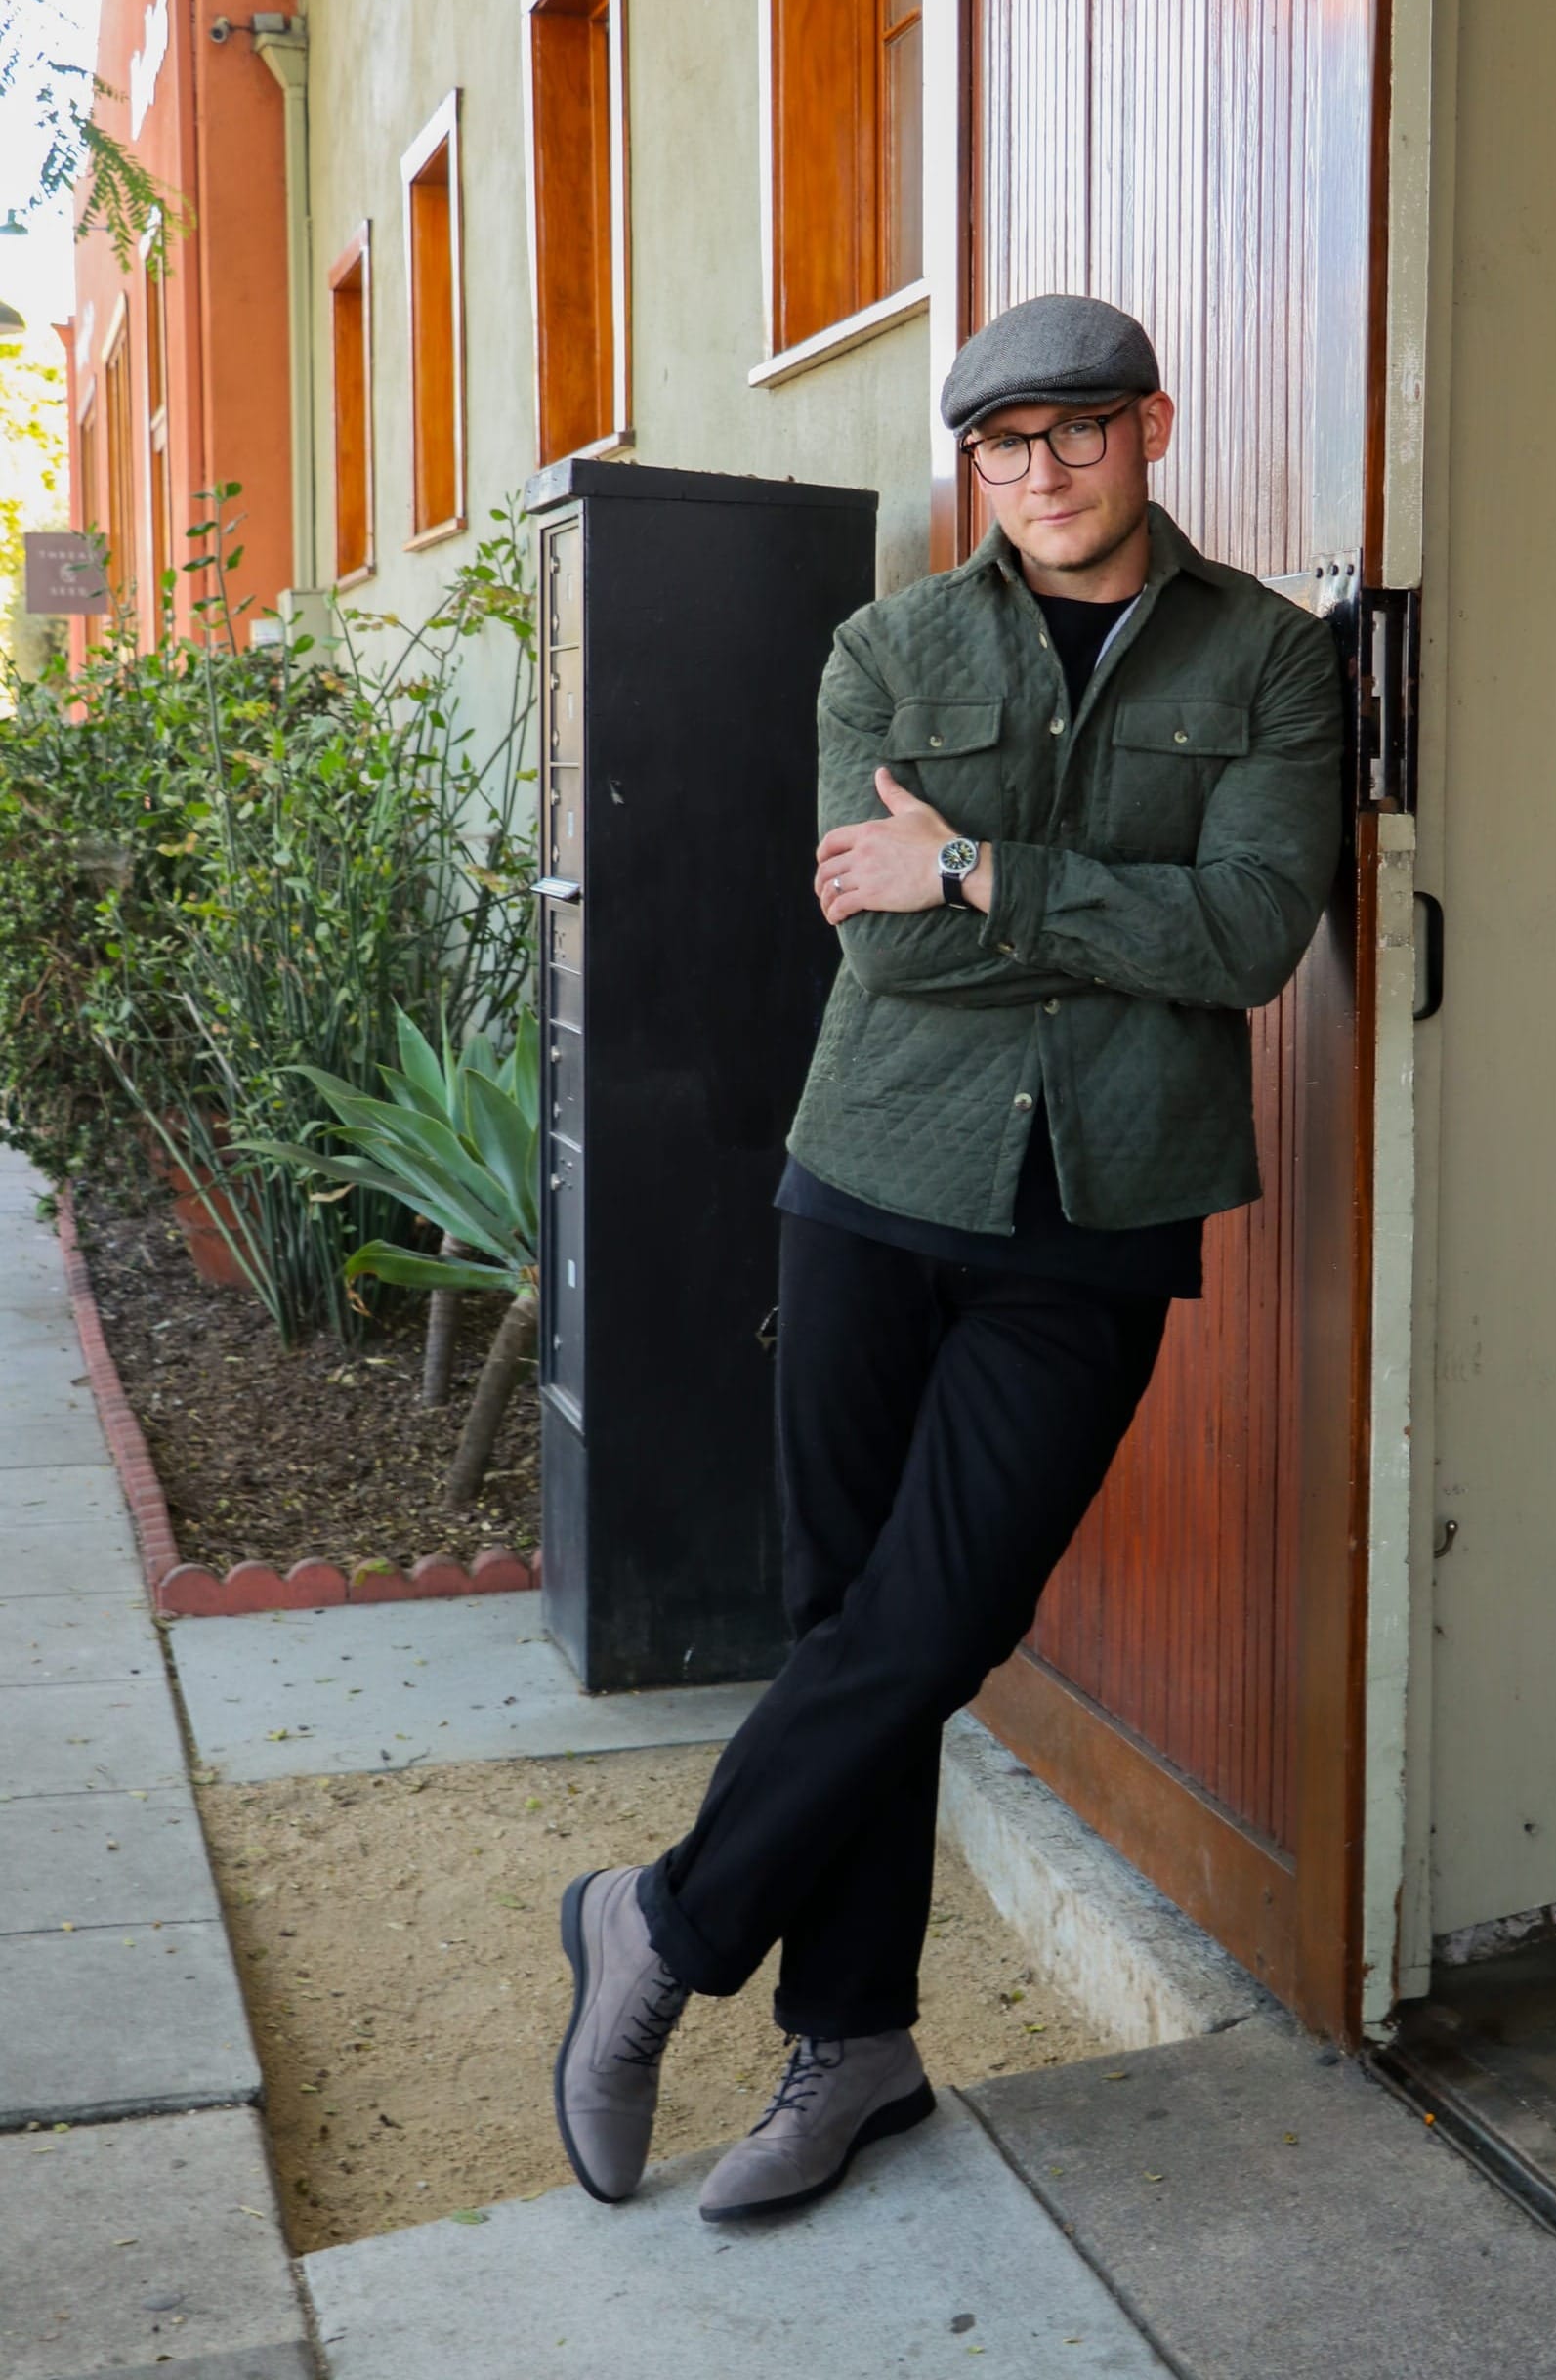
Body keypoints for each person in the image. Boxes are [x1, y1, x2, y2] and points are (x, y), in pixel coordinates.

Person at [553, 293, 1345, 2224]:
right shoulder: (888, 647)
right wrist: (1082, 914)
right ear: (971, 465)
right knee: (851, 1614)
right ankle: (857, 2044)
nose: (1042, 472)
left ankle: (657, 1921)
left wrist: (975, 864)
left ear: (1150, 425)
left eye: (1076, 430)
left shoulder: (1268, 657)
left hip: (1102, 1211)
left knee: (938, 1617)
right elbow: (884, 942)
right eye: (1003, 444)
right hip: (871, 1177)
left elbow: (1250, 937)